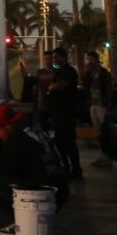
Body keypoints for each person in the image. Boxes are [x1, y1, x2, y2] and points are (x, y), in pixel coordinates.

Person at [0, 103, 70, 230]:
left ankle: (22, 222)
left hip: (44, 196)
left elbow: (3, 170)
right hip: (60, 192)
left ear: (7, 125)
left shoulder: (16, 139)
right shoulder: (33, 130)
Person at [42, 46, 83, 180]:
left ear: (62, 57)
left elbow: (60, 85)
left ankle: (76, 169)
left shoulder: (69, 70)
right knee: (60, 143)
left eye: (55, 57)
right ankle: (65, 167)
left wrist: (52, 87)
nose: (53, 60)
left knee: (70, 142)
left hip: (66, 113)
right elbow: (49, 72)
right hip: (57, 112)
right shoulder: (57, 69)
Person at [81, 50, 115, 169]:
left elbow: (108, 88)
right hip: (93, 104)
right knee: (98, 131)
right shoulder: (89, 73)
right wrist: (86, 73)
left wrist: (108, 105)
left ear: (96, 59)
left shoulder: (103, 72)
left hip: (101, 104)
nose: (89, 62)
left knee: (105, 130)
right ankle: (103, 155)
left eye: (91, 59)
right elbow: (85, 84)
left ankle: (108, 156)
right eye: (88, 59)